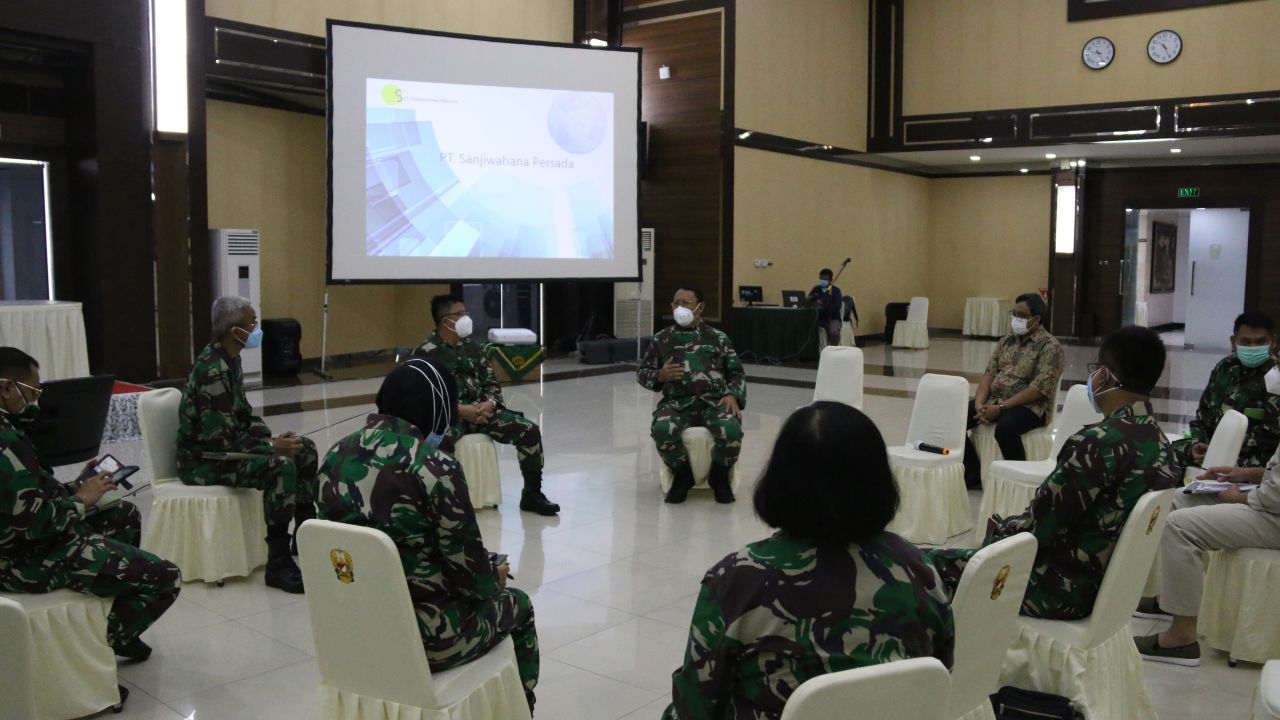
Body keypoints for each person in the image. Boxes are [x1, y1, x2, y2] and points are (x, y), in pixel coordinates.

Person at [661, 402, 954, 720]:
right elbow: (940, 670)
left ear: (781, 480)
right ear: (878, 480)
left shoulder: (739, 579)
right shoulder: (916, 567)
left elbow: (695, 705)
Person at [316, 358, 539, 710]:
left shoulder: (335, 456)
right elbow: (471, 581)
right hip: (427, 638)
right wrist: (492, 577)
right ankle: (519, 709)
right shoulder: (435, 468)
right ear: (436, 408)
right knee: (520, 605)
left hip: (353, 628)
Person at [931, 326, 1180, 620]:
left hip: (1055, 587)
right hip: (1102, 586)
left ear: (1105, 375)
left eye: (1096, 369)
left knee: (924, 565)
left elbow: (1037, 530)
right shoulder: (1160, 443)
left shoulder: (1096, 444)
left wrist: (993, 535)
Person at [0, 347, 180, 666]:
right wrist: (81, 500)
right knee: (165, 578)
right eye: (32, 391)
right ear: (6, 388)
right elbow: (35, 521)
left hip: (24, 540)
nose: (36, 400)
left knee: (123, 515)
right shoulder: (6, 443)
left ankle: (105, 617)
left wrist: (77, 486)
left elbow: (28, 494)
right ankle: (93, 655)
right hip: (21, 558)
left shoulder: (10, 431)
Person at [176, 296, 317, 593]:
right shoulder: (212, 370)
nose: (256, 329)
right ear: (234, 330)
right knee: (280, 466)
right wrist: (270, 449)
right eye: (251, 324)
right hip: (203, 460)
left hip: (224, 448)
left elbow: (243, 416)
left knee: (305, 449)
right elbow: (221, 441)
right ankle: (277, 561)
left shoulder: (231, 359)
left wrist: (270, 438)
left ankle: (306, 535)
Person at [414, 295, 559, 516]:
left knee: (528, 430)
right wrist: (462, 411)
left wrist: (489, 404)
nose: (467, 318)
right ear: (445, 320)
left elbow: (492, 383)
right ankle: (436, 503)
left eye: (466, 313)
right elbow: (425, 398)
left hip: (483, 413)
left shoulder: (475, 348)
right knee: (434, 445)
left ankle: (532, 493)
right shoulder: (425, 353)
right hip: (449, 418)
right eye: (460, 314)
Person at [1134, 451, 1280, 666]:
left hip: (1273, 513)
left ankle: (1182, 637)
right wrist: (1246, 474)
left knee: (1178, 527)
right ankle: (1169, 601)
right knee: (1175, 500)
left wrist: (1240, 497)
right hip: (1269, 502)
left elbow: (1275, 497)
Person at [638, 287, 746, 504]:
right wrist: (660, 375)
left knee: (731, 428)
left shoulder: (718, 338)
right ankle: (682, 475)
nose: (680, 308)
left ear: (700, 307)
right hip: (676, 402)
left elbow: (736, 372)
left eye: (686, 303)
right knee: (661, 428)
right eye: (676, 303)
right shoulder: (662, 338)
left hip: (714, 401)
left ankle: (720, 475)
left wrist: (733, 395)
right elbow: (642, 373)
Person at [963, 293, 1065, 488]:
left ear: (1036, 319)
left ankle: (1017, 480)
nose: (1015, 319)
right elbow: (989, 374)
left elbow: (1038, 389)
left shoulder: (1050, 347)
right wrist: (979, 404)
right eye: (1014, 313)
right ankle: (973, 474)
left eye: (1021, 315)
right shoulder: (1006, 341)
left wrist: (1000, 409)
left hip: (1030, 407)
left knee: (1006, 428)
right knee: (956, 418)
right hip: (995, 401)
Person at [1170, 311, 1280, 469]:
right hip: (1213, 449)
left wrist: (1220, 449)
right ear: (1234, 342)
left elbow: (1271, 436)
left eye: (1260, 342)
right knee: (1165, 453)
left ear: (1273, 342)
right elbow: (1203, 414)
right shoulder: (1225, 368)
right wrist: (1198, 444)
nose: (1253, 347)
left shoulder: (1276, 377)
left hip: (1255, 457)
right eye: (1246, 342)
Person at [806, 267, 844, 346]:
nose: (822, 281)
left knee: (834, 332)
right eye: (821, 279)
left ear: (830, 280)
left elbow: (837, 306)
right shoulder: (816, 289)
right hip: (819, 317)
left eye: (825, 279)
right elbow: (809, 301)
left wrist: (823, 305)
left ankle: (834, 350)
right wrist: (809, 300)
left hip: (832, 317)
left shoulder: (836, 291)